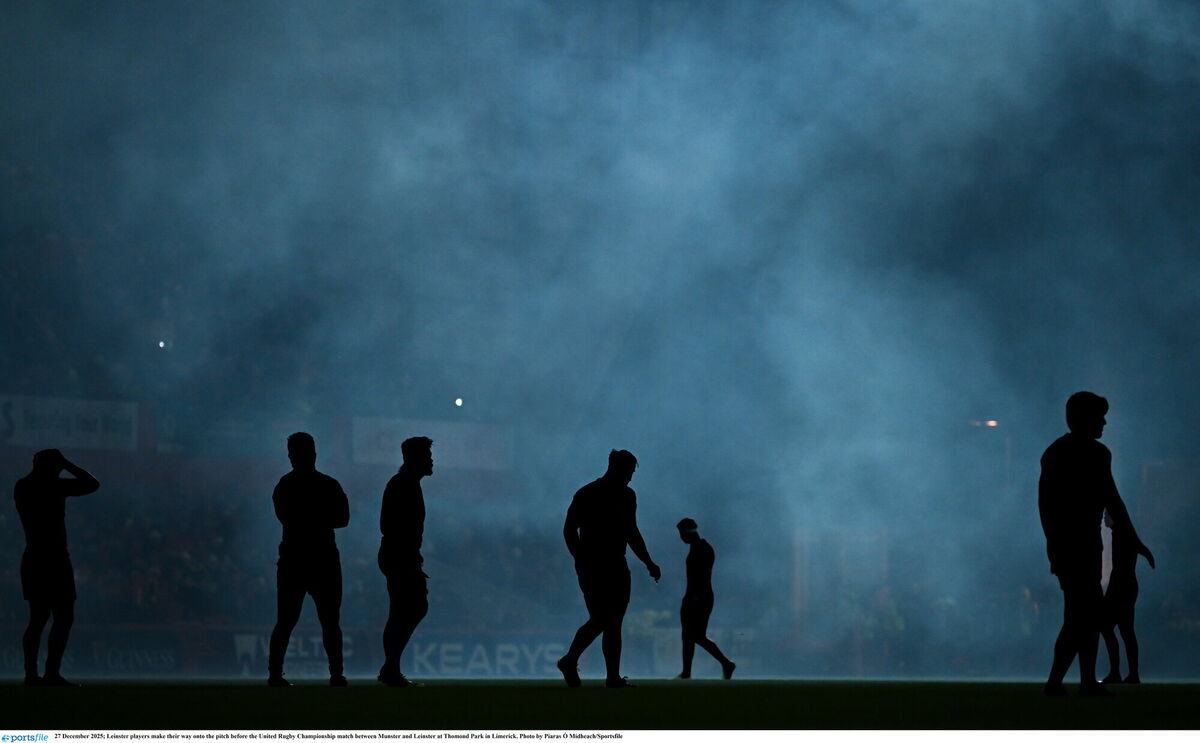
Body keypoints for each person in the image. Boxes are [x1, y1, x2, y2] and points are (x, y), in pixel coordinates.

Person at [1038, 391, 1152, 697]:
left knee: (1081, 615)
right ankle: (1066, 682)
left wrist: (1054, 544)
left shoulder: (1061, 453)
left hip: (1078, 546)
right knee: (1082, 614)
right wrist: (1133, 538)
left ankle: (1075, 681)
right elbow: (1111, 499)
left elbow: (1049, 505)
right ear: (1083, 418)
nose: (1103, 422)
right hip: (1077, 546)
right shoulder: (1086, 454)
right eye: (1099, 416)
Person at [557, 449, 661, 688]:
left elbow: (632, 532)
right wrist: (580, 558)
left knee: (612, 621)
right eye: (628, 472)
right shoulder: (587, 494)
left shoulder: (626, 496)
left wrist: (648, 561)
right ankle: (571, 660)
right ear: (615, 468)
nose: (630, 477)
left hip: (616, 563)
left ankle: (610, 675)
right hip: (594, 564)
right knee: (604, 618)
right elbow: (569, 529)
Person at [267, 432, 350, 687]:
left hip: (294, 559)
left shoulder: (285, 486)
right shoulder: (329, 484)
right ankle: (336, 674)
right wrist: (320, 518)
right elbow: (342, 519)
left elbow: (286, 517)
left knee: (287, 620)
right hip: (322, 560)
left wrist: (306, 518)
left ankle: (275, 674)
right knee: (329, 621)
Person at [14, 449, 99, 686]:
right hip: (52, 559)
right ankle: (47, 673)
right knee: (57, 617)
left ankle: (35, 675)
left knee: (40, 618)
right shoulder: (52, 486)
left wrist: (62, 465)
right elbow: (92, 484)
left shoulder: (23, 486)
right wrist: (69, 465)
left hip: (37, 558)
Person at [377, 436, 434, 687]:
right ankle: (390, 667)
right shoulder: (403, 485)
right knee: (408, 608)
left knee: (406, 609)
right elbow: (390, 525)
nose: (431, 460)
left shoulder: (404, 483)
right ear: (415, 458)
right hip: (401, 556)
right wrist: (409, 554)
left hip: (400, 555)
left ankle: (391, 666)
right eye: (427, 455)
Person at [675, 518, 735, 680]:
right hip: (696, 595)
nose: (680, 538)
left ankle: (725, 663)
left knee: (694, 635)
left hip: (698, 596)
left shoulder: (702, 549)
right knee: (690, 635)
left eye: (681, 533)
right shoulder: (699, 547)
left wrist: (694, 597)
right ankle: (687, 671)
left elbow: (700, 576)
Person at [1100, 509, 1154, 684]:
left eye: (1106, 515)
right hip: (1125, 585)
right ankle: (1130, 673)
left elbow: (1139, 547)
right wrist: (1148, 555)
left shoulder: (1123, 533)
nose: (1103, 518)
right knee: (1125, 631)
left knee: (1109, 627)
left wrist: (1147, 554)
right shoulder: (1123, 532)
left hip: (1121, 586)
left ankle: (1119, 672)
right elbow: (1141, 547)